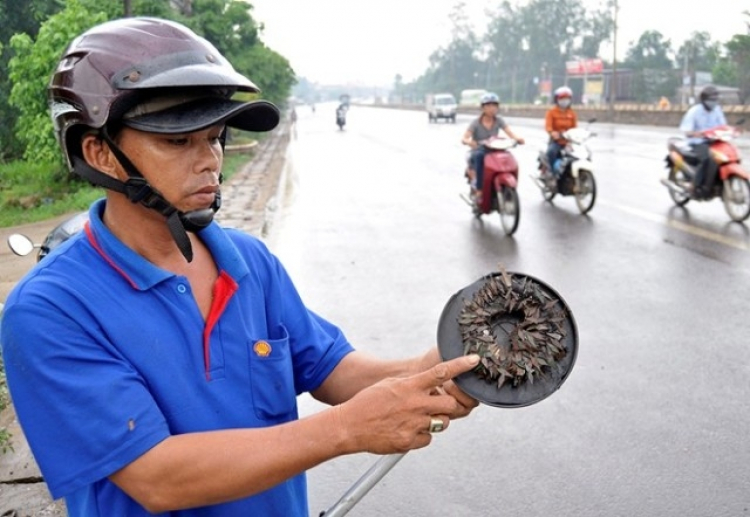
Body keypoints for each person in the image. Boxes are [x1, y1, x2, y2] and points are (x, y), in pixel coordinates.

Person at [0, 17, 479, 516]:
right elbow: (156, 477)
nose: (210, 159)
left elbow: (329, 368)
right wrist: (349, 428)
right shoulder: (50, 308)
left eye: (214, 137)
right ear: (100, 153)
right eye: (178, 141)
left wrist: (433, 368)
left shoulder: (248, 261)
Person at [461, 92, 525, 203]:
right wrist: (469, 142)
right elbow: (465, 137)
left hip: (494, 149)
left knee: (508, 157)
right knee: (479, 156)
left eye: (494, 105)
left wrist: (517, 139)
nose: (492, 108)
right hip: (480, 150)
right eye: (488, 106)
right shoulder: (476, 123)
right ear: (483, 108)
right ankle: (480, 189)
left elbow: (509, 132)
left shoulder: (499, 120)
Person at [678, 85, 727, 197]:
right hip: (698, 142)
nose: (713, 102)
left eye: (715, 100)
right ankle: (694, 185)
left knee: (725, 156)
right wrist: (699, 134)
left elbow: (723, 126)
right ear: (704, 100)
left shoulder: (717, 110)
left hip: (715, 141)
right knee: (706, 159)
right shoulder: (694, 112)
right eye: (711, 100)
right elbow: (687, 131)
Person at [544, 86, 578, 179]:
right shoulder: (551, 112)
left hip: (569, 142)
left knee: (580, 154)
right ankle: (551, 173)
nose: (564, 101)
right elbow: (548, 127)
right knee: (551, 152)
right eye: (562, 98)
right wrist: (553, 133)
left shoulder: (572, 113)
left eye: (567, 98)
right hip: (557, 142)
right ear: (557, 100)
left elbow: (575, 128)